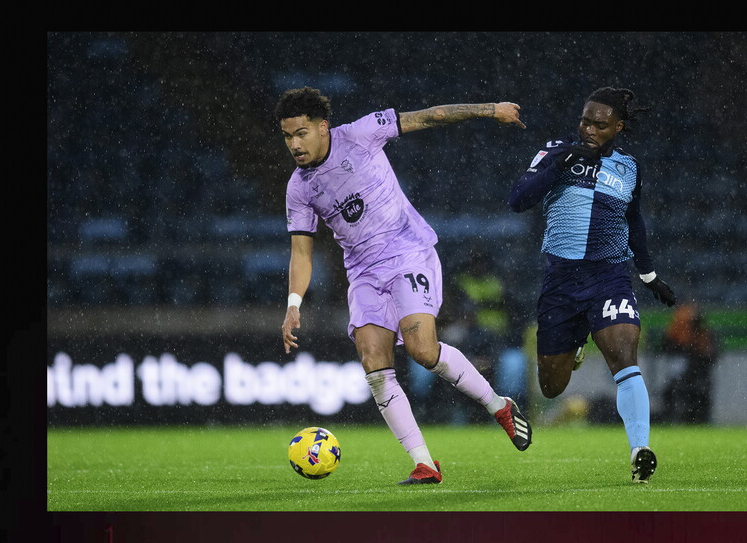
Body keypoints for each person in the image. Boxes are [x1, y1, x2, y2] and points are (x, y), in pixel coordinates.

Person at [276, 87, 532, 485]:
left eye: (301, 133)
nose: (294, 144)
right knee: (373, 362)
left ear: (323, 126)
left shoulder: (361, 134)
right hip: (363, 273)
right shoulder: (300, 187)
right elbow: (301, 253)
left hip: (408, 253)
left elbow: (431, 115)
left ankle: (498, 405)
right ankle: (424, 464)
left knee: (422, 350)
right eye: (287, 136)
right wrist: (294, 303)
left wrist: (490, 110)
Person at [508, 86, 676, 483]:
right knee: (551, 386)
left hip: (609, 277)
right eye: (585, 121)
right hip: (562, 283)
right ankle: (577, 342)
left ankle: (640, 450)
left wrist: (649, 276)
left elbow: (634, 221)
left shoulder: (629, 167)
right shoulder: (555, 151)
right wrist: (559, 163)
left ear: (618, 128)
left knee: (625, 359)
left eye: (600, 125)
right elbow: (518, 199)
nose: (589, 130)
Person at [658, 304, 719, 424]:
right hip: (687, 373)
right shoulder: (681, 335)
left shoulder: (703, 335)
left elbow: (711, 355)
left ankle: (696, 417)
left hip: (698, 373)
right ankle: (678, 416)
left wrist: (697, 359)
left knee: (698, 393)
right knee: (676, 391)